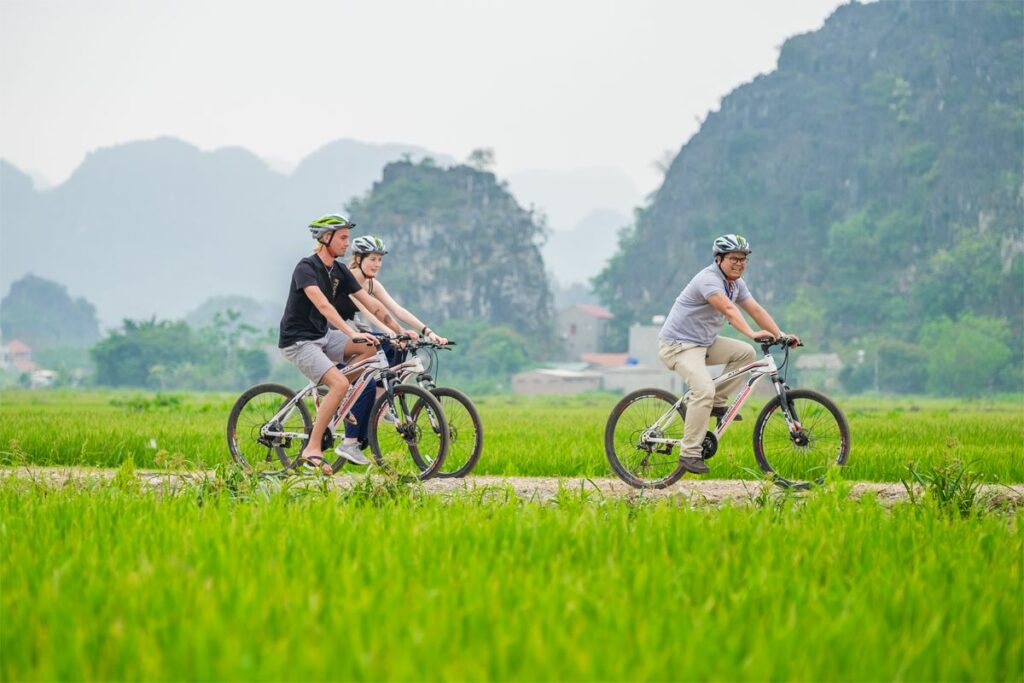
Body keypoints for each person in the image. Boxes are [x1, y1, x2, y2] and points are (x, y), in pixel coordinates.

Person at [277, 213, 410, 475]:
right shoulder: (306, 268)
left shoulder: (338, 271)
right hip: (299, 341)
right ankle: (312, 449)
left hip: (323, 337)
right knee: (338, 381)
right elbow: (324, 306)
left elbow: (372, 304)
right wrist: (351, 333)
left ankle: (343, 400)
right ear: (326, 238)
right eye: (343, 238)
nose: (347, 243)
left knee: (372, 348)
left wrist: (400, 331)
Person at [657, 234, 799, 475]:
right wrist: (752, 333)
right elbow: (729, 310)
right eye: (734, 258)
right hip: (678, 345)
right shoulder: (708, 280)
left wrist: (780, 334)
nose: (740, 264)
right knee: (703, 390)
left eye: (743, 259)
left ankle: (715, 404)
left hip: (703, 343)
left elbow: (754, 309)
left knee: (745, 353)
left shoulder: (736, 284)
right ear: (719, 259)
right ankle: (689, 452)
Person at [332, 235, 448, 452]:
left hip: (355, 332)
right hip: (336, 334)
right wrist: (391, 332)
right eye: (372, 259)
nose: (377, 264)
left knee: (398, 346)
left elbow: (397, 309)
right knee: (389, 345)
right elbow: (370, 311)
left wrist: (428, 332)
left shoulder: (372, 283)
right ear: (359, 258)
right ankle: (371, 400)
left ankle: (381, 395)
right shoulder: (352, 279)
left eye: (380, 260)